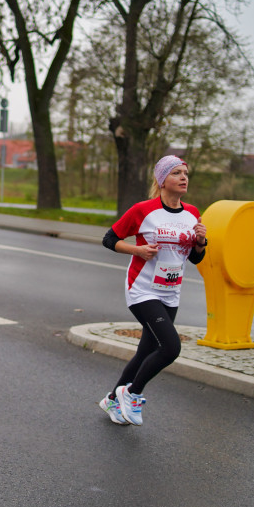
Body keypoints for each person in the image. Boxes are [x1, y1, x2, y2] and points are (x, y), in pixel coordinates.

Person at [98, 155, 207, 426]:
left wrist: (201, 242)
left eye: (185, 173)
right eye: (176, 173)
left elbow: (195, 259)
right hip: (142, 289)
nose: (184, 177)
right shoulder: (143, 210)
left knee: (147, 351)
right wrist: (137, 249)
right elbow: (109, 239)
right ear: (162, 180)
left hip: (171, 292)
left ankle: (112, 398)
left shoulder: (192, 213)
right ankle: (132, 394)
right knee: (170, 347)